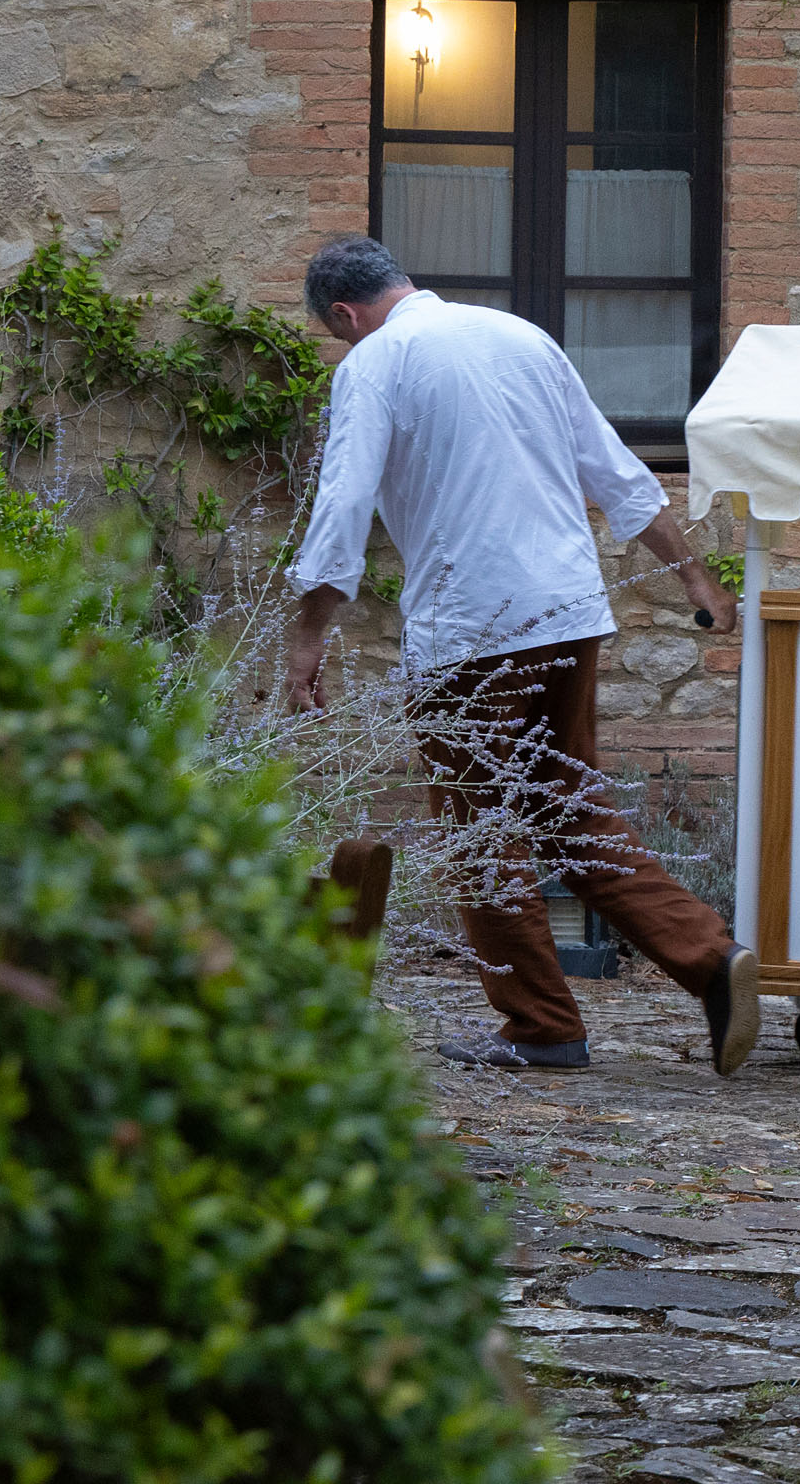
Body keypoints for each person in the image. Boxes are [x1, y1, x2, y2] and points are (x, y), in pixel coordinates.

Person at [282, 235, 758, 1075]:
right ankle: (709, 960)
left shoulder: (375, 362)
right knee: (569, 810)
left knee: (479, 829)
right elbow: (615, 472)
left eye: (338, 333)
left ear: (345, 314)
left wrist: (308, 632)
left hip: (475, 628)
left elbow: (345, 498)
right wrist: (696, 583)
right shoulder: (520, 336)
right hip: (569, 613)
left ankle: (541, 1027)